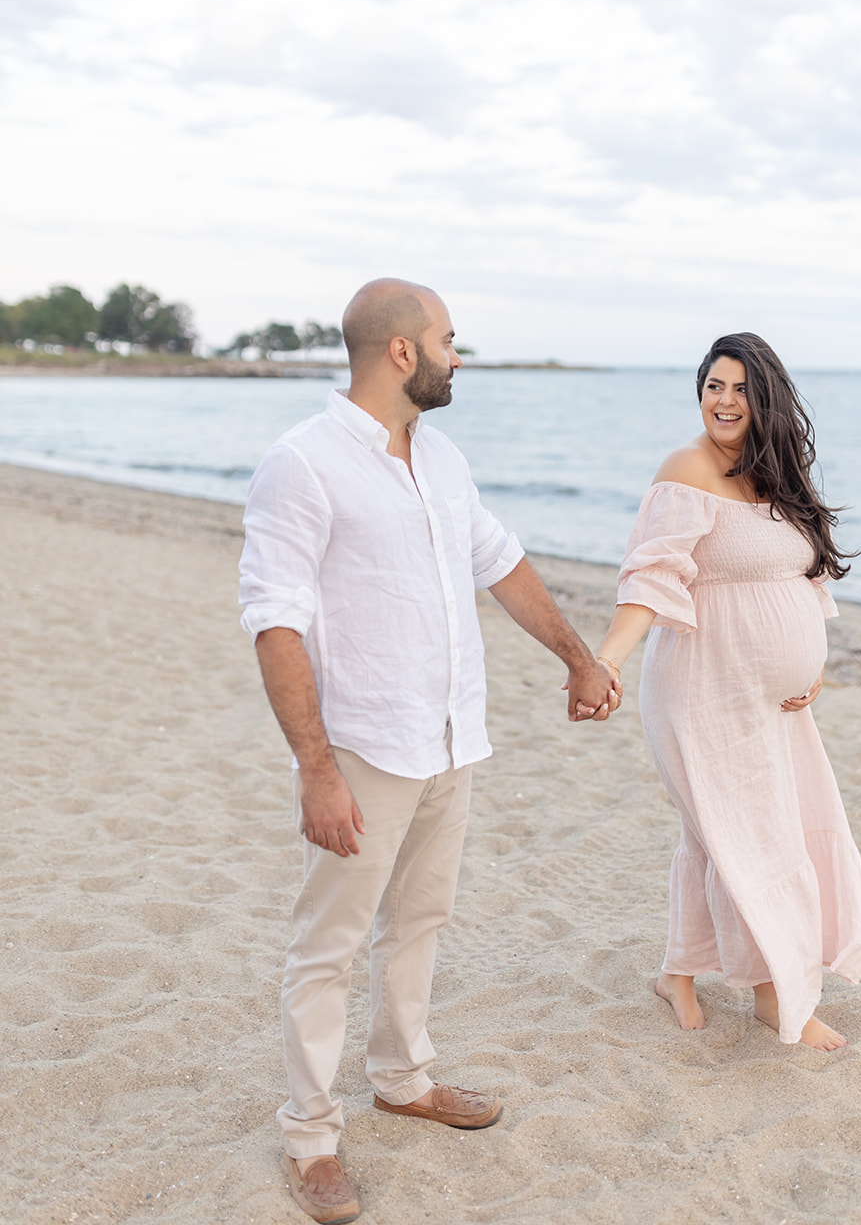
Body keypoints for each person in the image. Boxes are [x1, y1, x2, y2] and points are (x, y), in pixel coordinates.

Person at [239, 278, 618, 1224]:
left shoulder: (442, 457)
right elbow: (274, 623)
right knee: (326, 946)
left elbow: (499, 562)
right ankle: (312, 1136)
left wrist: (577, 658)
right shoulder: (303, 464)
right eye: (449, 339)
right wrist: (316, 770)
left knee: (421, 921)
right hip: (364, 746)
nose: (459, 355)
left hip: (451, 734)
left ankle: (403, 1079)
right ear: (402, 351)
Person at [594, 332, 861, 1051]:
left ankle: (678, 972)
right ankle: (775, 996)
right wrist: (608, 660)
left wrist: (810, 663)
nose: (723, 400)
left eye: (740, 389)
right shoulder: (686, 470)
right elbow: (650, 575)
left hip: (777, 703)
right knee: (753, 840)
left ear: (766, 398)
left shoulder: (778, 475)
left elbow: (806, 578)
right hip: (701, 689)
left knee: (717, 835)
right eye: (713, 385)